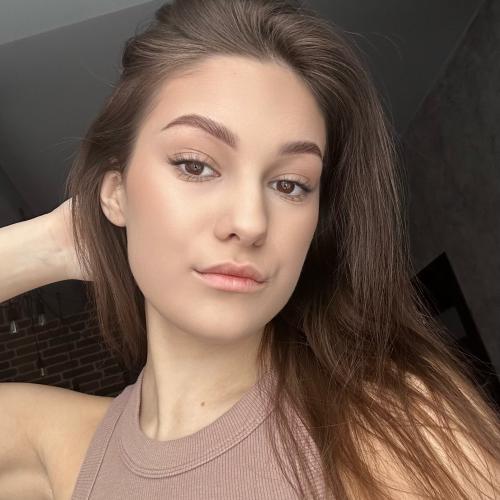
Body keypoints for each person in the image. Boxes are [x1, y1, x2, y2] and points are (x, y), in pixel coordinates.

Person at [1, 0, 499, 498]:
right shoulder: (62, 445)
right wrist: (52, 245)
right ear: (116, 192)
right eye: (195, 165)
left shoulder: (395, 429)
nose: (250, 222)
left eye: (290, 185)